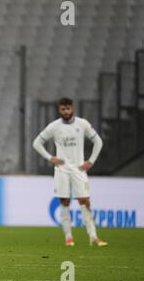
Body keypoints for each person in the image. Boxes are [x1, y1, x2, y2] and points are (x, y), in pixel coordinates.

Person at [33, 97, 107, 247]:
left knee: (85, 201)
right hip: (62, 170)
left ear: (72, 108)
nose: (66, 111)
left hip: (79, 169)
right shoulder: (54, 126)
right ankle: (68, 238)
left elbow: (98, 141)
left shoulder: (82, 124)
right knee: (64, 202)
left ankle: (93, 236)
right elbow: (37, 143)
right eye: (63, 109)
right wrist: (50, 157)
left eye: (68, 108)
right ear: (59, 110)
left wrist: (91, 161)